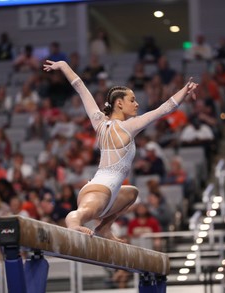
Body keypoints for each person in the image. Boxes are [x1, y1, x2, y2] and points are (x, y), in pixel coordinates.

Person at [42, 59, 197, 240]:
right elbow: (164, 109)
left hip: (109, 194)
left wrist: (63, 66)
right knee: (81, 213)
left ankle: (104, 228)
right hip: (99, 191)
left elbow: (80, 87)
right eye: (132, 100)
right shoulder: (129, 126)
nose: (137, 104)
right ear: (119, 104)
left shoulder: (99, 122)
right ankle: (73, 225)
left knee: (132, 193)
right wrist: (185, 90)